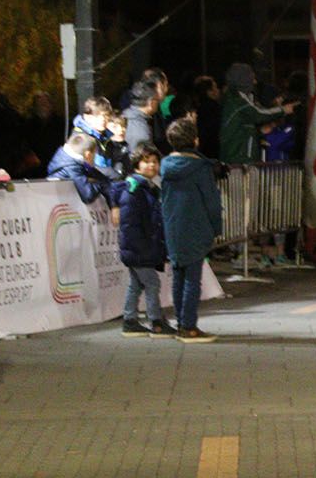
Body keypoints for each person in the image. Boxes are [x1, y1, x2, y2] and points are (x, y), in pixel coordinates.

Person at [160, 119, 222, 344]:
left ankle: (180, 321)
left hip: (173, 227)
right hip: (196, 226)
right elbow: (212, 201)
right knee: (192, 279)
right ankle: (189, 326)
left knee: (179, 275)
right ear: (195, 140)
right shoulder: (200, 168)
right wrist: (217, 226)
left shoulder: (165, 166)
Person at [116, 142, 175, 338]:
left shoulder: (148, 188)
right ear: (136, 165)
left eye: (155, 162)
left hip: (140, 248)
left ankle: (130, 319)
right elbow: (130, 225)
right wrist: (143, 248)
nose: (152, 165)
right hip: (139, 249)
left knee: (137, 284)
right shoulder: (135, 190)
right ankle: (156, 321)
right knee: (152, 283)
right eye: (146, 162)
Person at [219, 62, 294, 163]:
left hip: (239, 155)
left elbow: (248, 121)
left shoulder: (237, 98)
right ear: (243, 81)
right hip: (238, 158)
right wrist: (282, 110)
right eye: (252, 79)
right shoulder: (237, 101)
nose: (254, 82)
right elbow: (258, 114)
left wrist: (259, 131)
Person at [46, 130, 119, 206]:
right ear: (88, 155)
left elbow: (102, 179)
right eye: (94, 154)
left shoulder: (73, 160)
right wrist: (99, 183)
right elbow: (87, 195)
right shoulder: (71, 166)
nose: (94, 158)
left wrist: (98, 181)